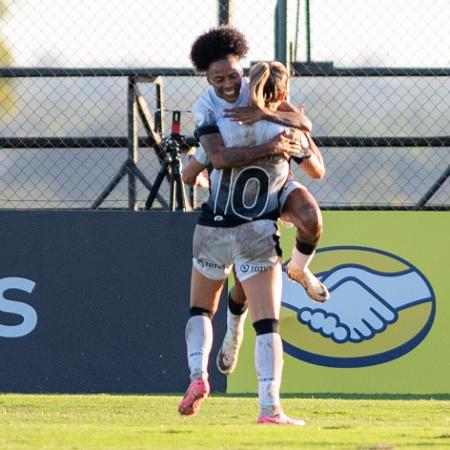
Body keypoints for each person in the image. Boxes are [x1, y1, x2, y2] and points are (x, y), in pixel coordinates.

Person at [178, 26, 310, 425]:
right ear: (206, 78)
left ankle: (198, 375)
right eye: (219, 79)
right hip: (253, 228)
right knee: (267, 321)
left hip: (215, 225)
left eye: (233, 76)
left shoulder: (207, 111)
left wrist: (196, 164)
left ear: (243, 69)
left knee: (201, 308)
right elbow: (304, 127)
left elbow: (209, 162)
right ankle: (269, 407)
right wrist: (272, 139)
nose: (228, 84)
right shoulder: (273, 113)